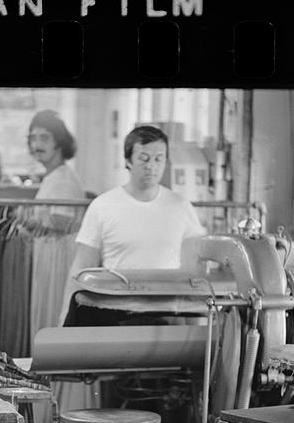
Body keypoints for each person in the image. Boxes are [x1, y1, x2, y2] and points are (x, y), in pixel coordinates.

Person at [58, 125, 207, 325]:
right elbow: (81, 267)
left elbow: (193, 273)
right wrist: (63, 319)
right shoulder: (103, 206)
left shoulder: (181, 207)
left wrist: (198, 323)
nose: (151, 166)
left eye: (158, 159)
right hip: (115, 310)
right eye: (144, 158)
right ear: (128, 160)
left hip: (168, 311)